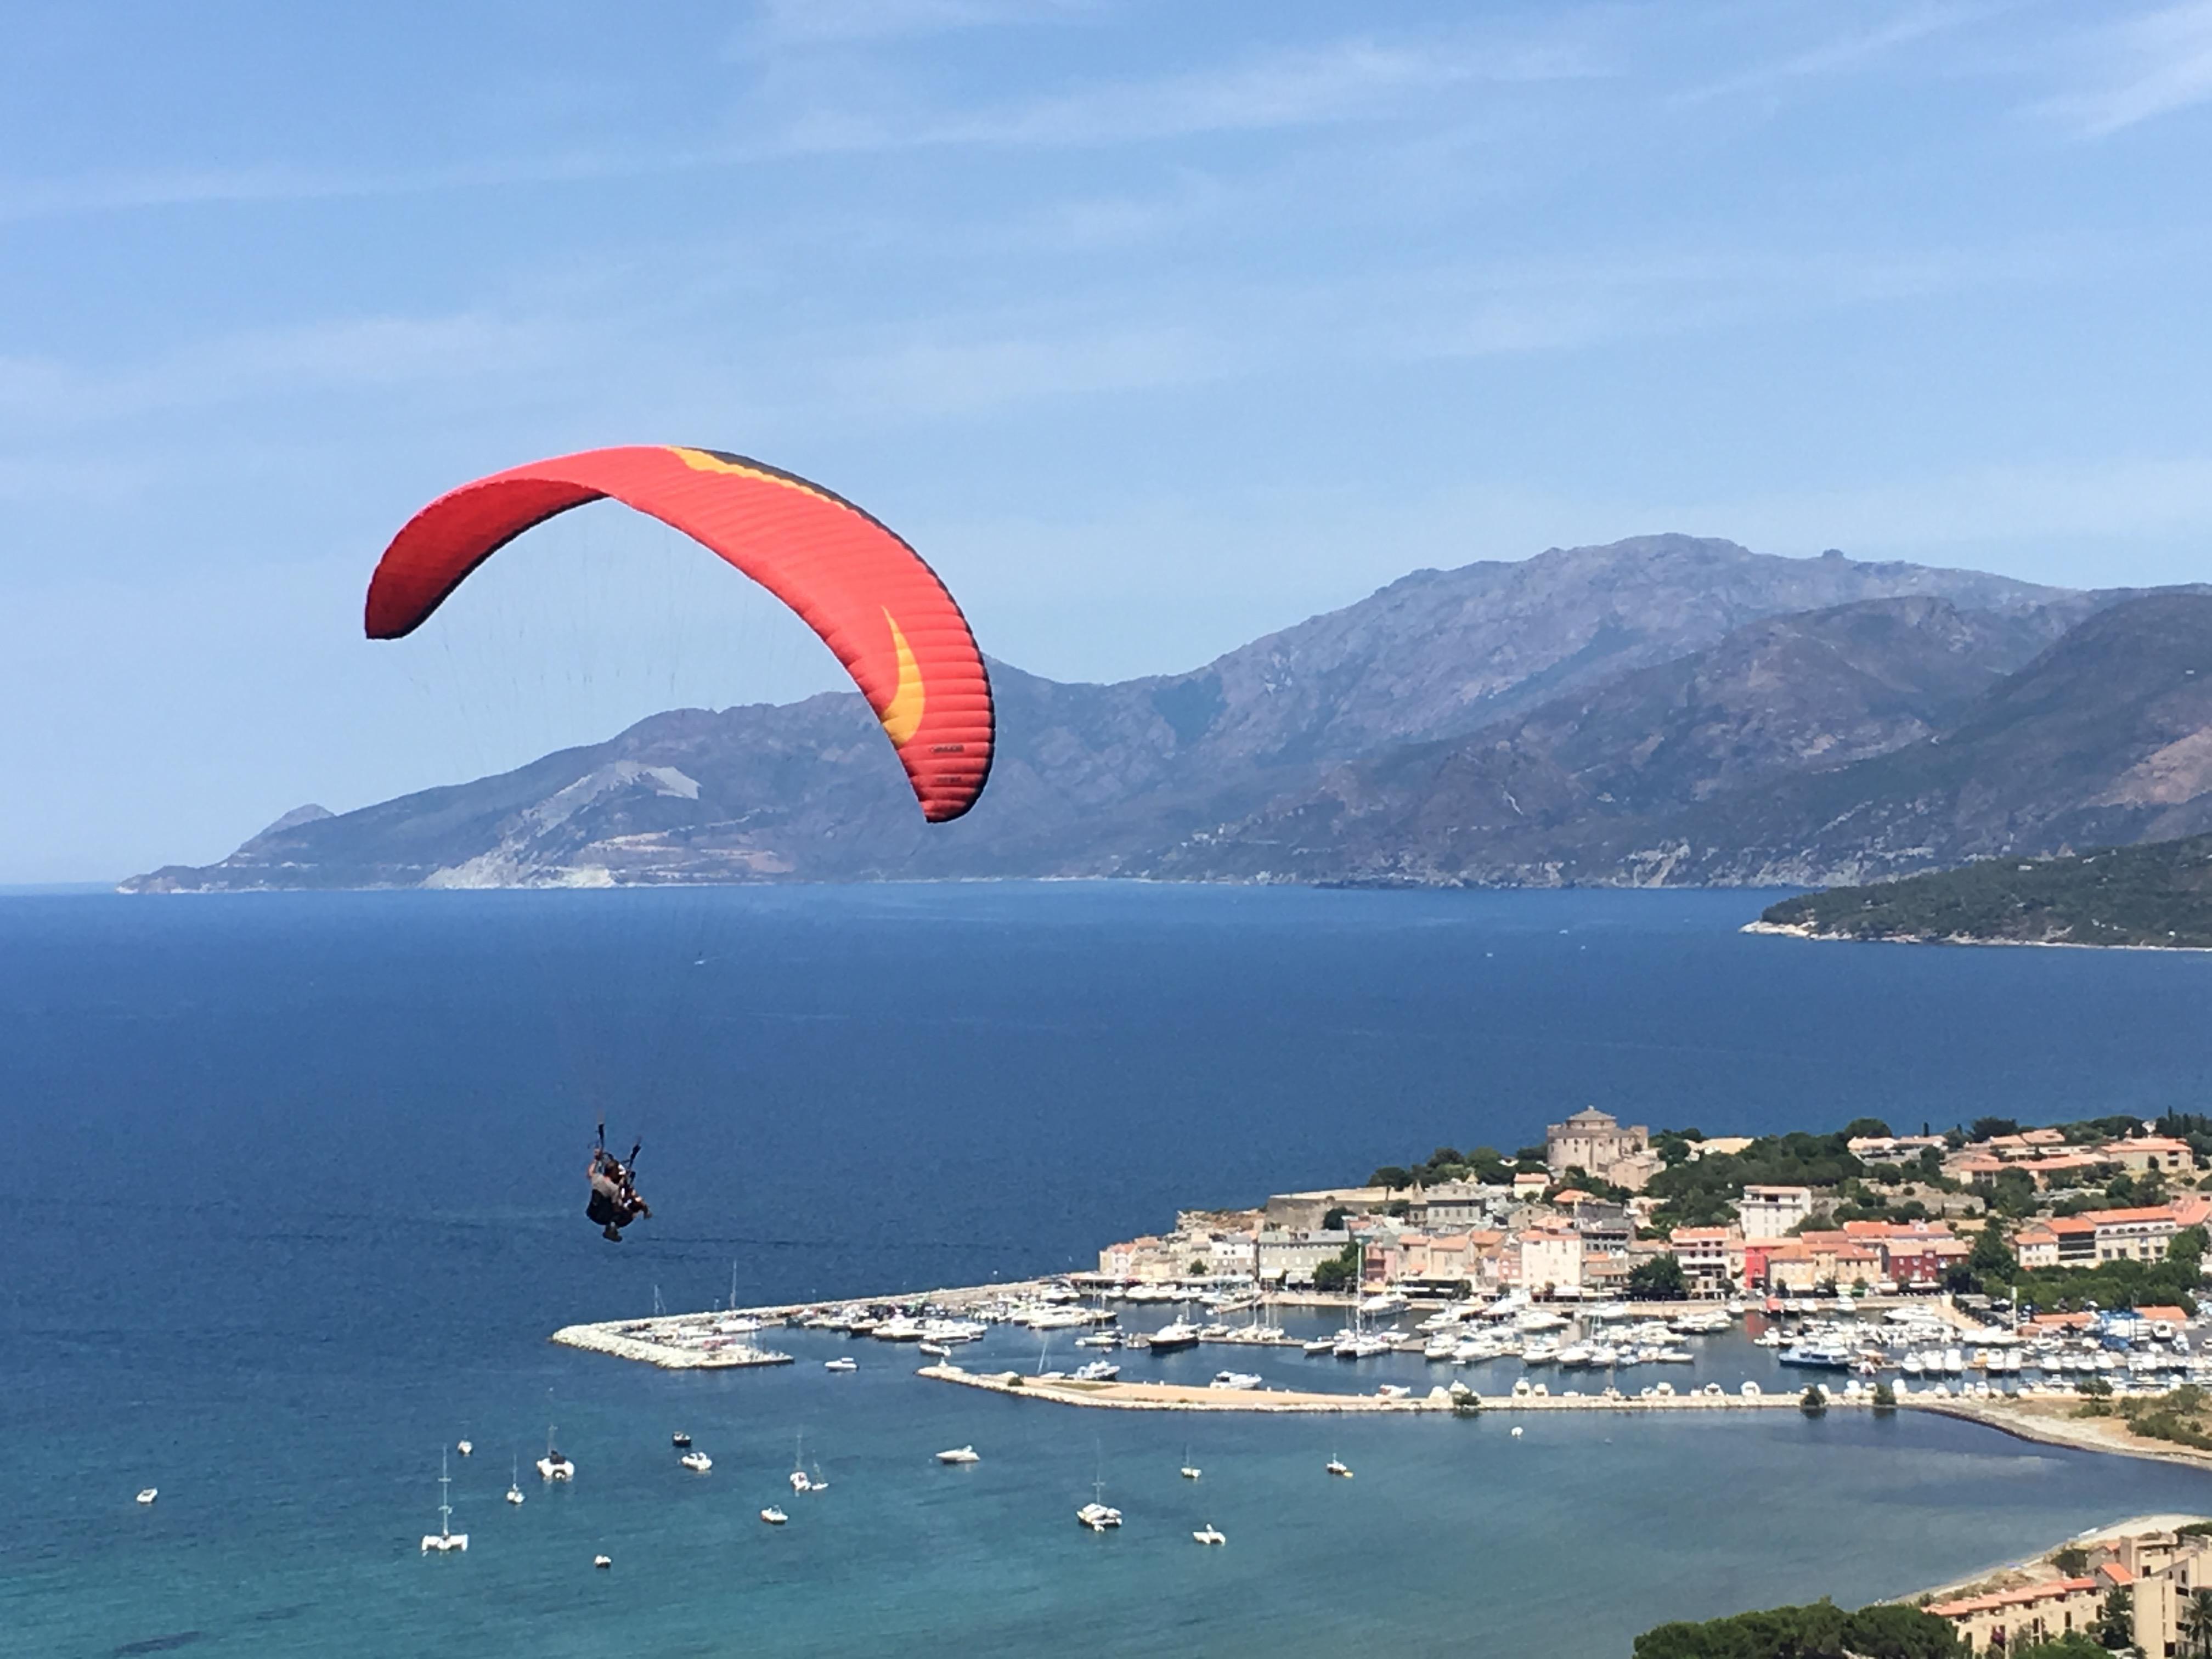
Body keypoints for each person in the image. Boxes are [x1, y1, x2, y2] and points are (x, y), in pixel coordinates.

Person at [586, 1125, 651, 1242]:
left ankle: (610, 1228)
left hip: (592, 1213)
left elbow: (590, 1172)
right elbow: (616, 1208)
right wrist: (632, 1205)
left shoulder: (597, 1178)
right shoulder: (614, 1189)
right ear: (613, 1173)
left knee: (608, 1206)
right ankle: (612, 1230)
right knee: (629, 1212)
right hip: (603, 1218)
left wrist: (596, 1159)